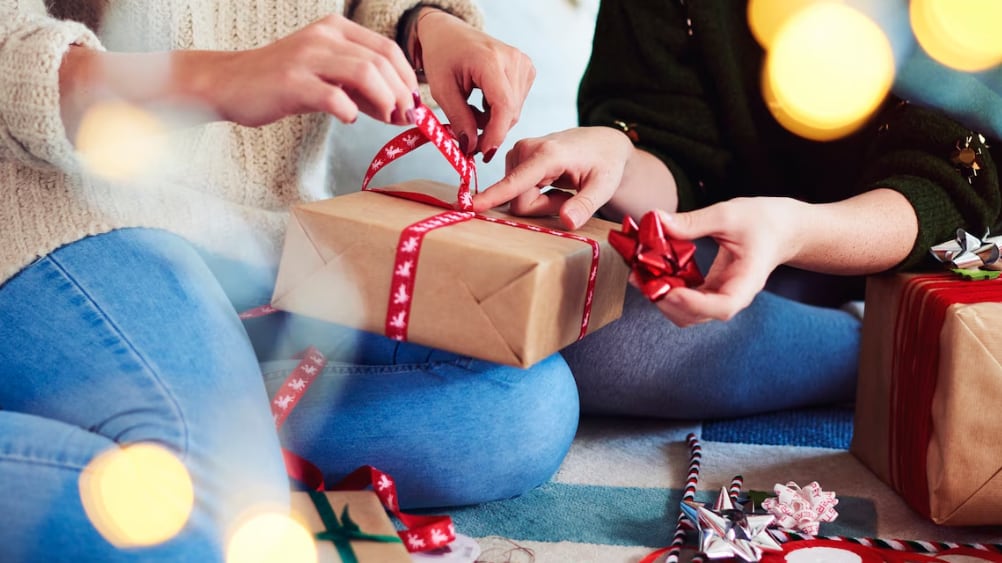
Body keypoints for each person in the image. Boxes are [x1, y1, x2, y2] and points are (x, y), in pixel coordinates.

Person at [0, 1, 577, 561]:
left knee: (524, 407)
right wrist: (219, 78)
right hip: (76, 206)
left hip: (267, 237)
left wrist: (423, 23)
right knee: (183, 510)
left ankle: (193, 421)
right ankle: (202, 452)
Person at [473, 1, 1000, 419]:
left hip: (927, 266)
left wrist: (795, 232)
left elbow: (952, 184)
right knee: (572, 317)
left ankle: (891, 352)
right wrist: (621, 158)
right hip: (737, 245)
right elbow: (676, 148)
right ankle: (876, 357)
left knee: (596, 347)